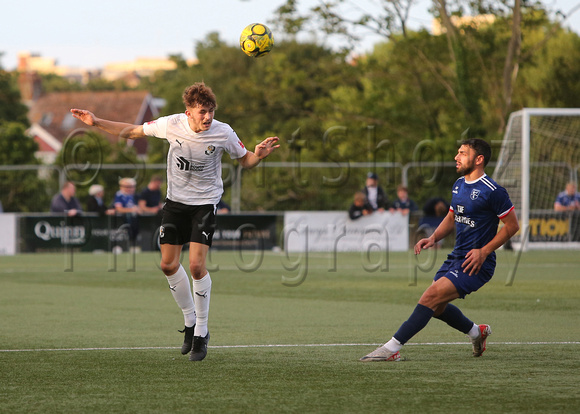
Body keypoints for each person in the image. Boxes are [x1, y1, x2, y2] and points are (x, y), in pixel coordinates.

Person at [71, 82, 279, 361]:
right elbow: (132, 131)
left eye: (211, 111)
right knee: (168, 265)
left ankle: (203, 332)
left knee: (196, 266)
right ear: (188, 112)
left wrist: (259, 157)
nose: (208, 117)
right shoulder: (171, 124)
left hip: (205, 204)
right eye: (202, 111)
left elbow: (246, 160)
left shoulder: (223, 132)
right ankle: (190, 321)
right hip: (175, 204)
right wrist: (95, 122)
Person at [360, 138, 519, 362]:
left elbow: (512, 226)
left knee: (430, 296)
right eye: (458, 152)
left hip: (477, 263)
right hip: (456, 257)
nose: (456, 157)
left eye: (463, 153)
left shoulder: (493, 191)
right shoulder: (459, 184)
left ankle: (391, 348)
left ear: (479, 159)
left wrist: (484, 251)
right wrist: (433, 237)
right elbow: (452, 217)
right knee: (436, 307)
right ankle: (476, 332)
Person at [113, 177, 140, 244]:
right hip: (125, 218)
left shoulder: (135, 195)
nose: (130, 189)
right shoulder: (119, 195)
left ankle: (135, 242)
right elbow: (119, 208)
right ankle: (131, 242)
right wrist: (131, 210)